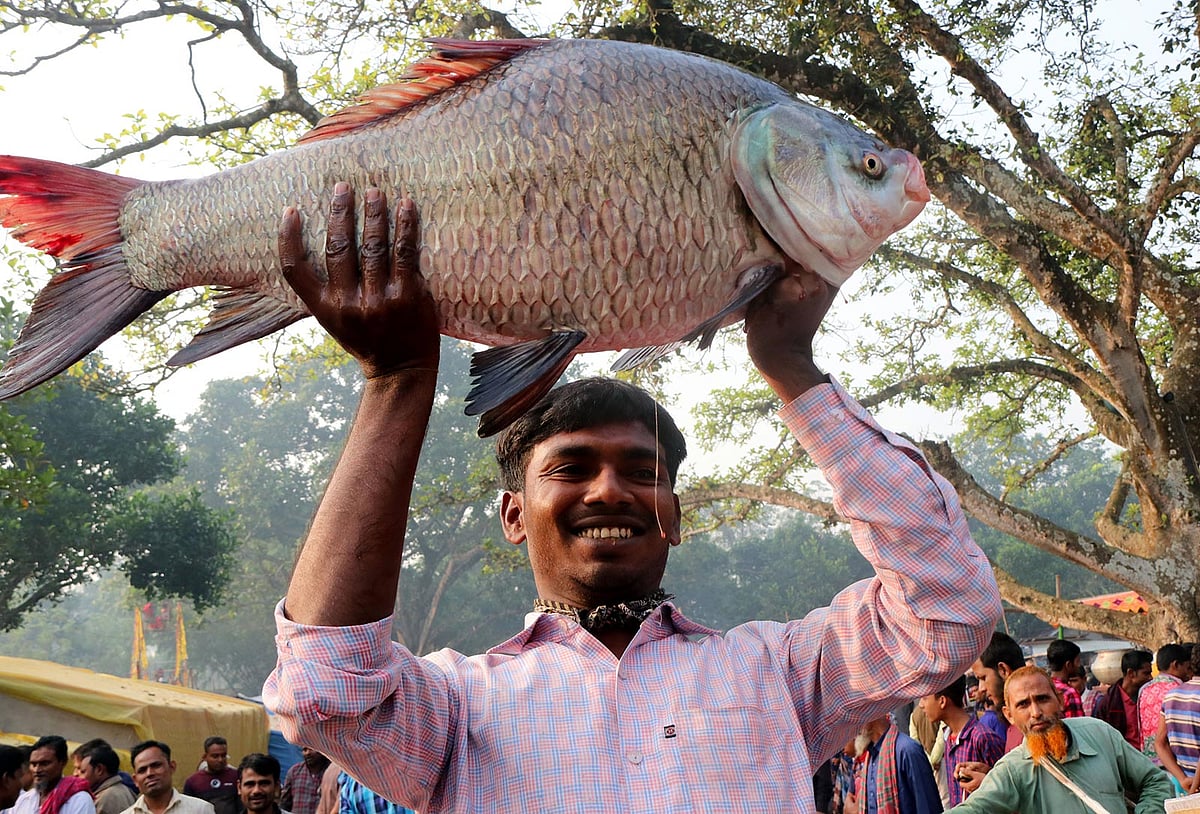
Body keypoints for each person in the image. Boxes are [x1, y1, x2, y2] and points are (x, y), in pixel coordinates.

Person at [263, 185, 1003, 812]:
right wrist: (396, 380)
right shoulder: (456, 707)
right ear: (513, 515)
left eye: (643, 471)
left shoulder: (777, 672)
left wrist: (789, 364)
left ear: (674, 515)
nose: (610, 489)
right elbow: (325, 689)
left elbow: (948, 608)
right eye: (571, 468)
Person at [948, 666, 1172, 813]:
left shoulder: (1099, 734)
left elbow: (1155, 781)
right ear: (1009, 715)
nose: (1036, 712)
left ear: (1060, 701)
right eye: (1023, 704)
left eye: (1043, 699)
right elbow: (974, 809)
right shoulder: (1012, 770)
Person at [919, 675, 1003, 806]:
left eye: (924, 698)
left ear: (942, 701)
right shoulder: (948, 738)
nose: (921, 705)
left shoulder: (982, 738)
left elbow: (1006, 788)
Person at [845, 716, 942, 814]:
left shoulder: (907, 751)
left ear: (872, 713)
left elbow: (928, 808)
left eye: (856, 716)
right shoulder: (869, 759)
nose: (853, 726)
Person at [121, 741, 214, 814]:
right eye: (142, 770)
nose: (149, 773)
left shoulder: (200, 809)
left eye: (156, 765)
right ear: (135, 780)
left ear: (172, 767)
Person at [1155, 643, 1200, 793]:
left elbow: (1160, 743)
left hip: (1184, 783)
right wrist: (1193, 789)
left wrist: (1182, 779)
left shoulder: (1171, 695)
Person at [1140, 642, 1194, 762]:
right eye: (1187, 667)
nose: (1189, 672)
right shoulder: (1178, 689)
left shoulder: (1144, 689)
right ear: (1175, 665)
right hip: (1175, 762)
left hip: (1151, 760)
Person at [1095, 649, 1154, 750]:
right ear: (1131, 673)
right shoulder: (1108, 704)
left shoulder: (1149, 697)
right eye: (1146, 673)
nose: (1150, 678)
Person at [29, 736, 94, 814]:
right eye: (33, 764)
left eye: (45, 763)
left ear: (62, 762)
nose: (37, 770)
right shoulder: (24, 799)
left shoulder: (79, 800)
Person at [182, 739, 238, 814]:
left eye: (223, 755)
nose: (220, 760)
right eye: (215, 756)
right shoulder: (192, 781)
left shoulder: (236, 776)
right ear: (205, 757)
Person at [79, 747, 136, 814]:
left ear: (99, 770)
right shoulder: (124, 789)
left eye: (83, 772)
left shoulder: (106, 798)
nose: (79, 777)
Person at [1045, 639, 1085, 717]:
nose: (1079, 665)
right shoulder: (1070, 693)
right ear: (1068, 665)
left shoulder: (1044, 687)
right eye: (1077, 661)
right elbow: (1076, 725)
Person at [279, 749, 326, 814]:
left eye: (311, 749)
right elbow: (284, 803)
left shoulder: (331, 772)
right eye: (304, 750)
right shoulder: (294, 771)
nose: (307, 753)